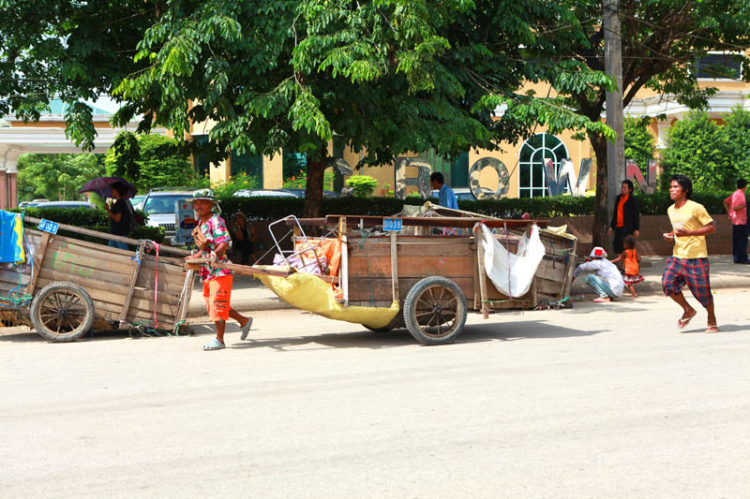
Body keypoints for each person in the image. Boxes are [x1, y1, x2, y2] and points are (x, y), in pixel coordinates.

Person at [189, 189, 252, 350]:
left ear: (211, 204)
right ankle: (244, 321)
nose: (198, 206)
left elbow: (225, 241)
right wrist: (196, 257)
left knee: (217, 303)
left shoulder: (215, 220)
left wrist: (214, 254)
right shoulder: (201, 223)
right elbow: (204, 248)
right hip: (207, 271)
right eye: (196, 203)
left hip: (220, 270)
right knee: (215, 304)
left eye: (202, 202)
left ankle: (219, 339)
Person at [662, 174, 718, 333]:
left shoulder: (696, 207)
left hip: (696, 257)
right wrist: (670, 235)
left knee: (703, 293)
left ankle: (711, 318)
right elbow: (678, 228)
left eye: (675, 187)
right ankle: (688, 309)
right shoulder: (670, 209)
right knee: (667, 284)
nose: (671, 190)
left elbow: (712, 227)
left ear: (685, 190)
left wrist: (689, 233)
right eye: (671, 187)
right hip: (678, 256)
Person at [608, 179, 640, 254]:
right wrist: (611, 226)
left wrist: (636, 228)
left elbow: (636, 215)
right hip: (618, 227)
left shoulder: (632, 200)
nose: (622, 189)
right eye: (622, 187)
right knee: (617, 247)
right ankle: (621, 263)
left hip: (628, 227)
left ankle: (629, 263)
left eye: (625, 188)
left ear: (630, 189)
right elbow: (615, 213)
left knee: (626, 247)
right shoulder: (618, 199)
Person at [723, 178, 748, 264]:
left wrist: (729, 213)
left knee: (737, 240)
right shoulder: (739, 194)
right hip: (740, 220)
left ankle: (737, 258)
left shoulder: (735, 193)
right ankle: (743, 259)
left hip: (736, 220)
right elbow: (735, 207)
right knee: (742, 240)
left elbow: (725, 202)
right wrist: (746, 205)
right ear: (745, 186)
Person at [103, 182, 135, 250]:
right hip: (116, 232)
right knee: (111, 251)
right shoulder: (120, 202)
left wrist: (108, 210)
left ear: (116, 191)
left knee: (123, 251)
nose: (111, 192)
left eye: (112, 190)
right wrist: (111, 210)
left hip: (119, 233)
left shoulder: (120, 203)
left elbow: (117, 219)